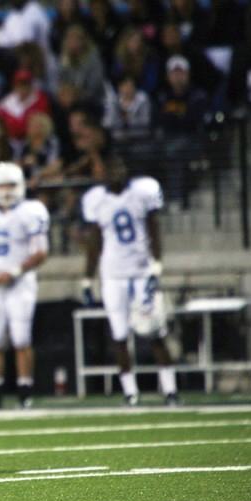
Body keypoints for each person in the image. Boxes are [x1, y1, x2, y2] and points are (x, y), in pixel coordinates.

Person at [81, 155, 179, 407]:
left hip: (141, 271)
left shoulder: (142, 192)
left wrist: (157, 264)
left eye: (119, 166)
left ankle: (170, 390)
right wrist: (87, 278)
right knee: (120, 335)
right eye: (110, 167)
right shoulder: (96, 200)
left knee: (155, 331)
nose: (115, 172)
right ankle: (130, 392)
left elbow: (153, 227)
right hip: (113, 275)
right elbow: (95, 242)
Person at [0, 162, 49, 409]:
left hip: (21, 282)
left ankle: (25, 392)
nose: (6, 190)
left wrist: (14, 272)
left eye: (11, 185)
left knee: (21, 338)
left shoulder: (32, 210)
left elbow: (40, 252)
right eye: (2, 185)